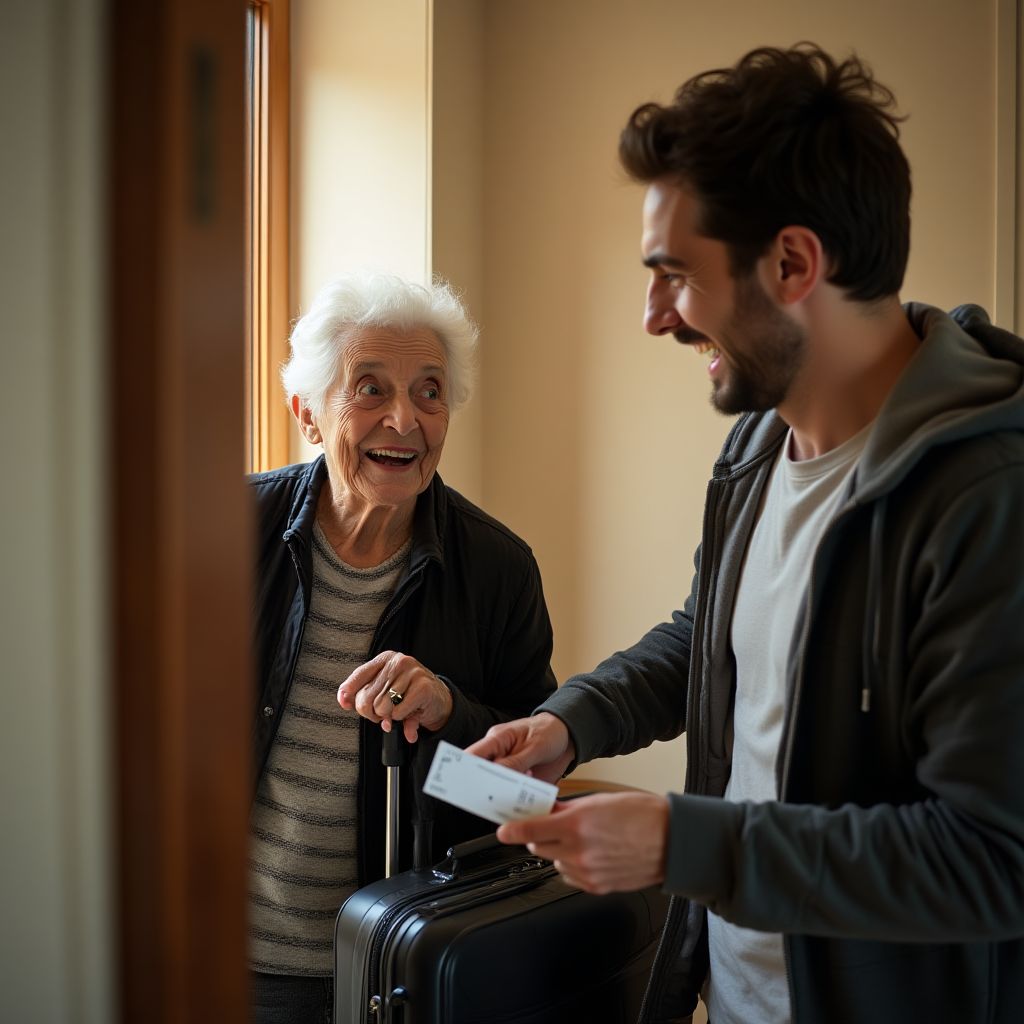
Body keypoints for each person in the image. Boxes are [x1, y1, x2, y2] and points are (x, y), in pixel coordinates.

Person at [468, 43, 1024, 1024]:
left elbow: (990, 859)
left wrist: (692, 845)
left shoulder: (987, 499)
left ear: (794, 262)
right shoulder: (758, 448)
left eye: (673, 274)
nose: (652, 317)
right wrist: (570, 723)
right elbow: (714, 639)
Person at [248, 271, 557, 1023]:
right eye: (369, 389)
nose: (404, 419)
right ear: (309, 416)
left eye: (429, 391)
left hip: (396, 976)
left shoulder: (496, 570)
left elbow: (525, 804)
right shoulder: (233, 530)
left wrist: (451, 713)